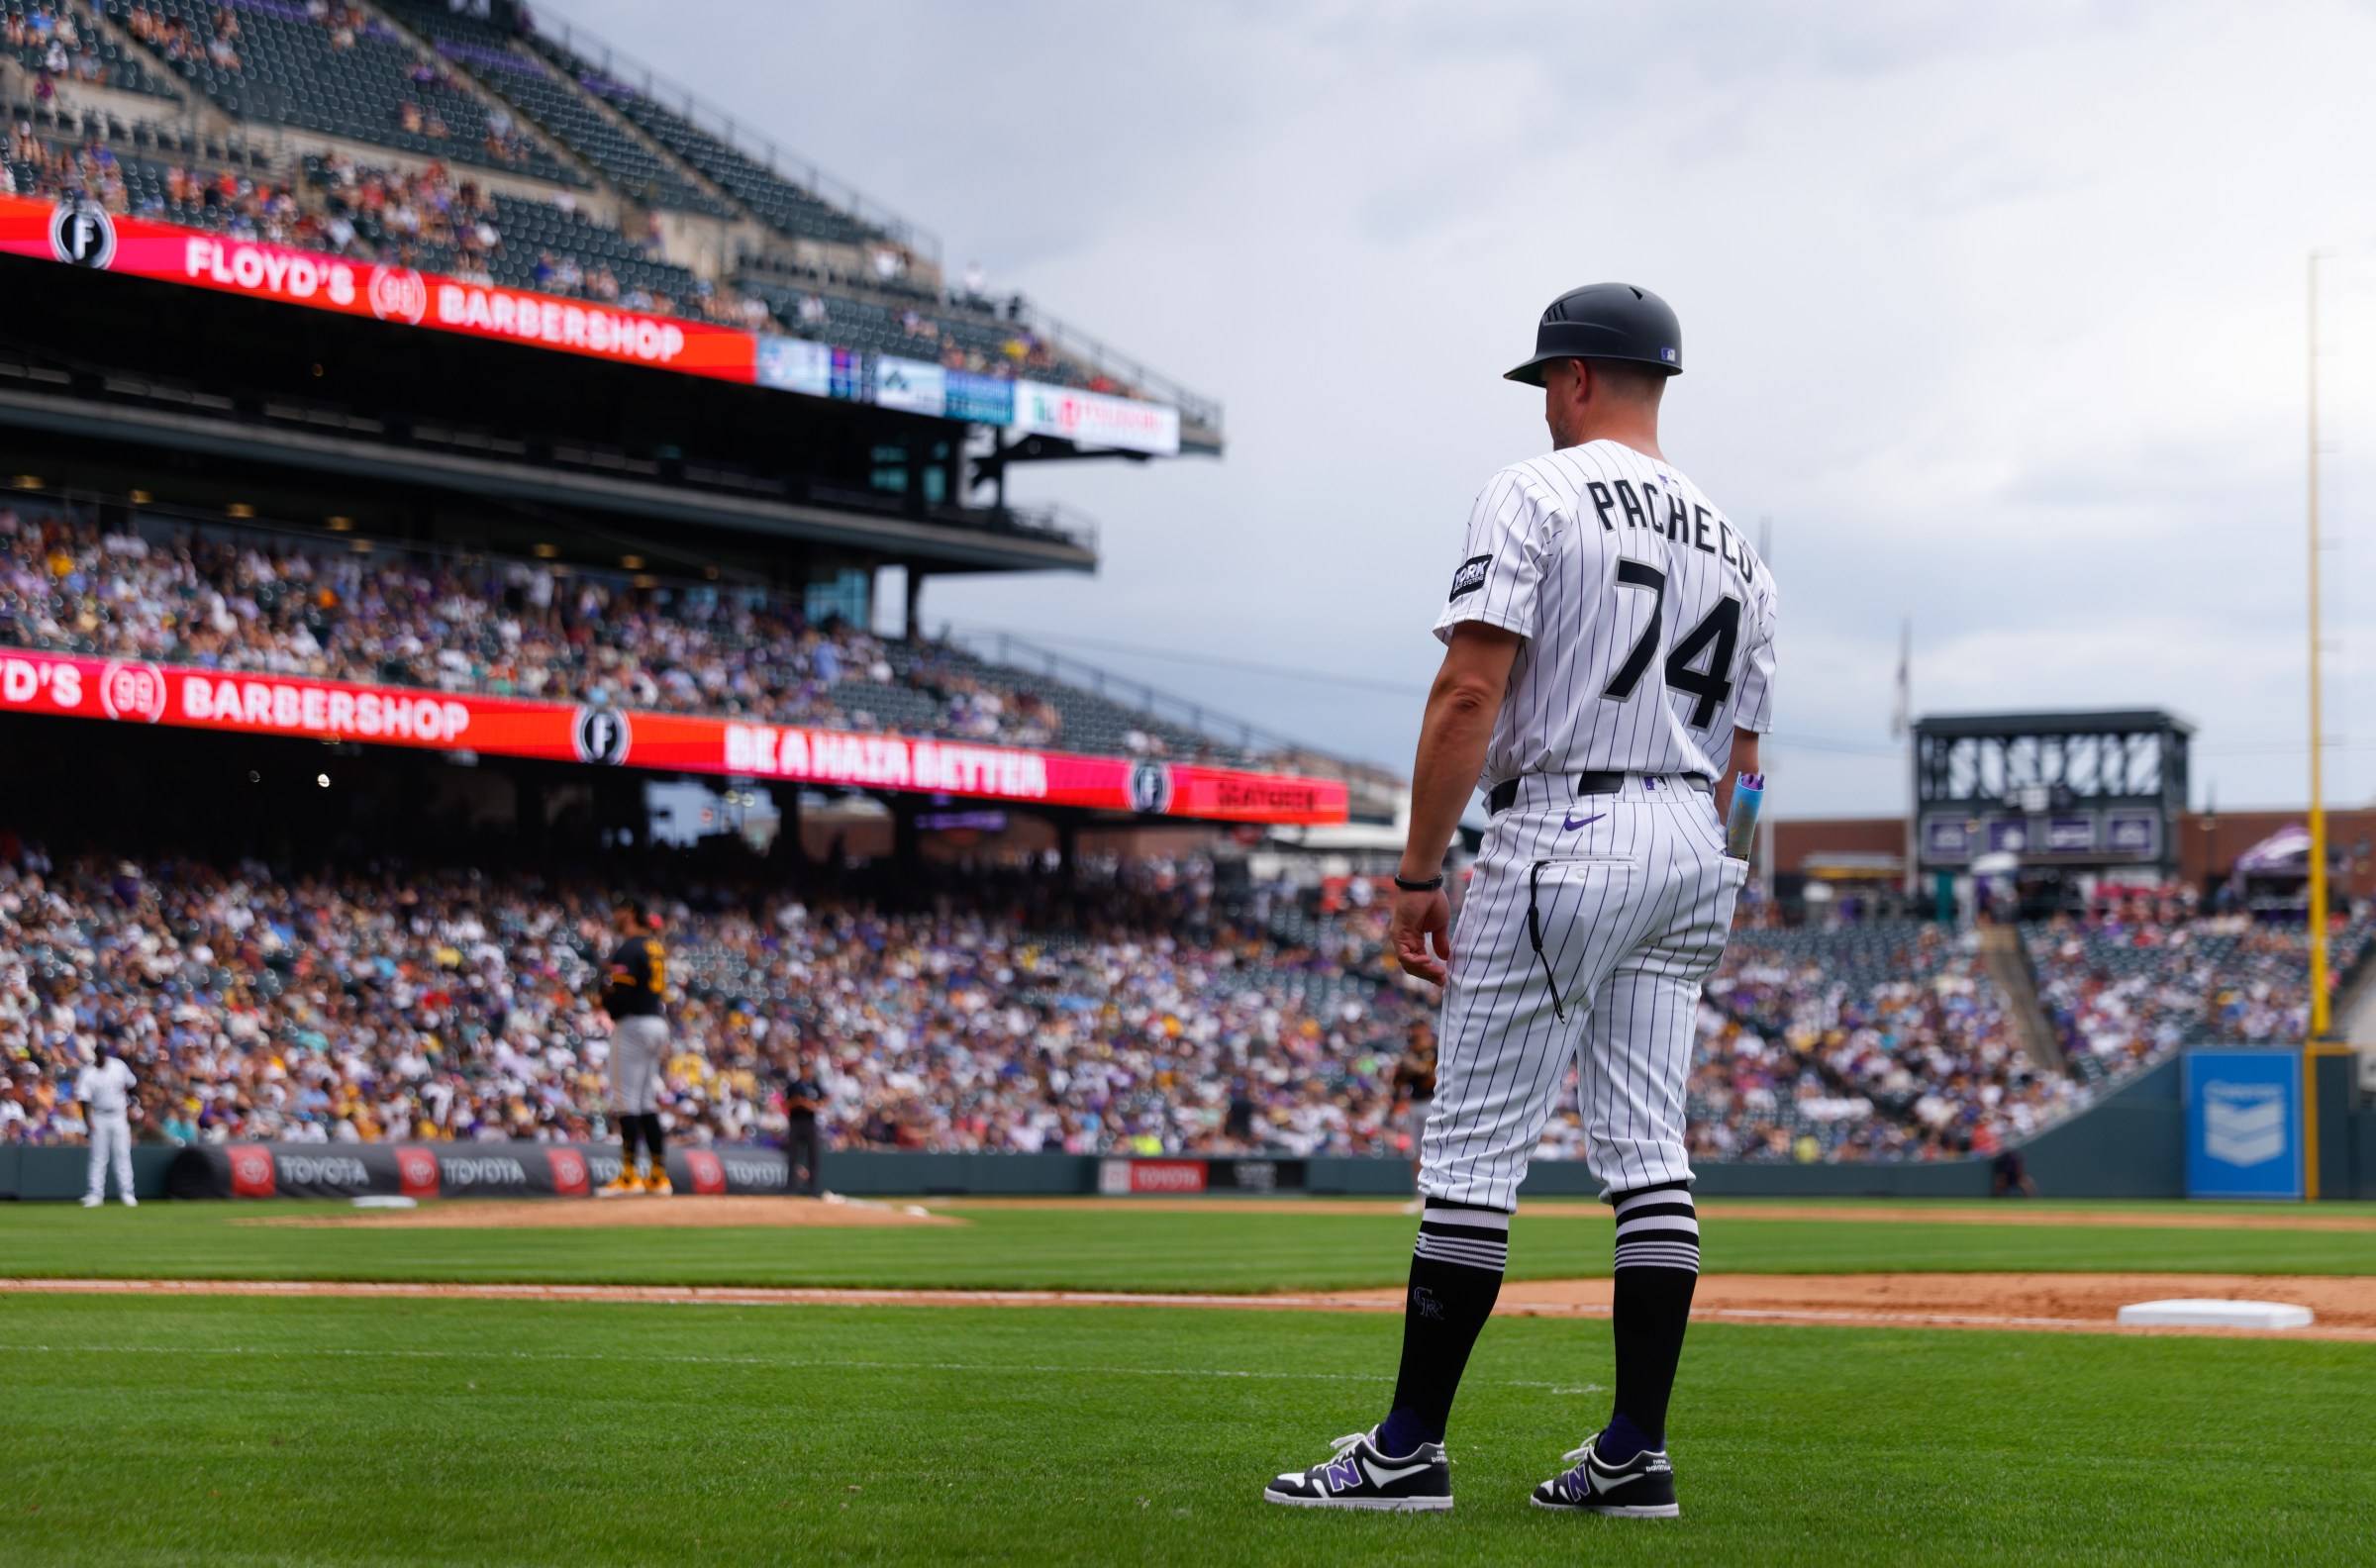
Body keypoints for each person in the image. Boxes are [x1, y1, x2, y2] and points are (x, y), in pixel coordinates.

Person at [1265, 284, 1776, 1519]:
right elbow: (1750, 760)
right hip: (1695, 836)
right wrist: (1718, 874)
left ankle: (1404, 1451)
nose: (1545, 401)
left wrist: (1418, 874)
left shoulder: (1534, 490)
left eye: (1549, 378)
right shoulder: (1739, 543)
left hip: (1566, 823)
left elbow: (1466, 698)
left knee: (1474, 1153)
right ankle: (1634, 1451)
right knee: (1651, 1155)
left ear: (1581, 378)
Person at [595, 902, 673, 1197]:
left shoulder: (629, 948)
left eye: (618, 910)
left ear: (629, 913)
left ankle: (629, 1176)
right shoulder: (655, 947)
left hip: (633, 1025)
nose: (613, 915)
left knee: (626, 1101)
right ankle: (657, 1175)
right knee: (645, 1101)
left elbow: (622, 994)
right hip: (656, 1022)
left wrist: (606, 1002)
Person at [77, 1040, 139, 1208]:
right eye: (100, 1053)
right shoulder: (88, 1073)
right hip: (99, 1116)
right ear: (96, 1054)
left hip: (119, 1115)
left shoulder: (118, 1066)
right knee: (98, 1157)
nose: (103, 1056)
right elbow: (84, 1100)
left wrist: (134, 1103)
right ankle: (95, 1194)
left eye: (105, 1053)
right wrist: (87, 1122)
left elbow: (133, 1084)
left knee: (122, 1154)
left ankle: (127, 1193)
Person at [1388, 1019, 1437, 1203]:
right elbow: (1398, 1083)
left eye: (1419, 1029)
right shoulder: (1410, 1053)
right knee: (1416, 1151)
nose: (1416, 1033)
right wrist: (1405, 1070)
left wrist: (1419, 1069)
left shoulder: (1435, 1051)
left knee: (1432, 1149)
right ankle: (1420, 1196)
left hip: (1433, 1102)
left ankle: (1435, 1192)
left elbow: (1436, 1078)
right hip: (1415, 1103)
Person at [782, 1049, 825, 1198]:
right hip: (796, 1122)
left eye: (807, 1067)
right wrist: (797, 1102)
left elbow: (823, 1101)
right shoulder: (794, 1086)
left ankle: (814, 1189)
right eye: (803, 1067)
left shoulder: (815, 1085)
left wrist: (810, 1104)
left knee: (813, 1156)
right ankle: (791, 1189)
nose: (805, 1070)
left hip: (810, 1122)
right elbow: (785, 1104)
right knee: (793, 1156)